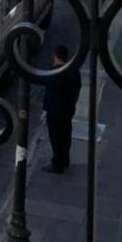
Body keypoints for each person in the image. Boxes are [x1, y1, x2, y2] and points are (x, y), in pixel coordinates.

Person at [42, 45, 82, 174]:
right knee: (65, 136)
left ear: (56, 56)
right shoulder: (74, 71)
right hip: (68, 109)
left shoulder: (53, 73)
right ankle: (65, 159)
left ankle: (57, 163)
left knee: (55, 137)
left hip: (54, 111)